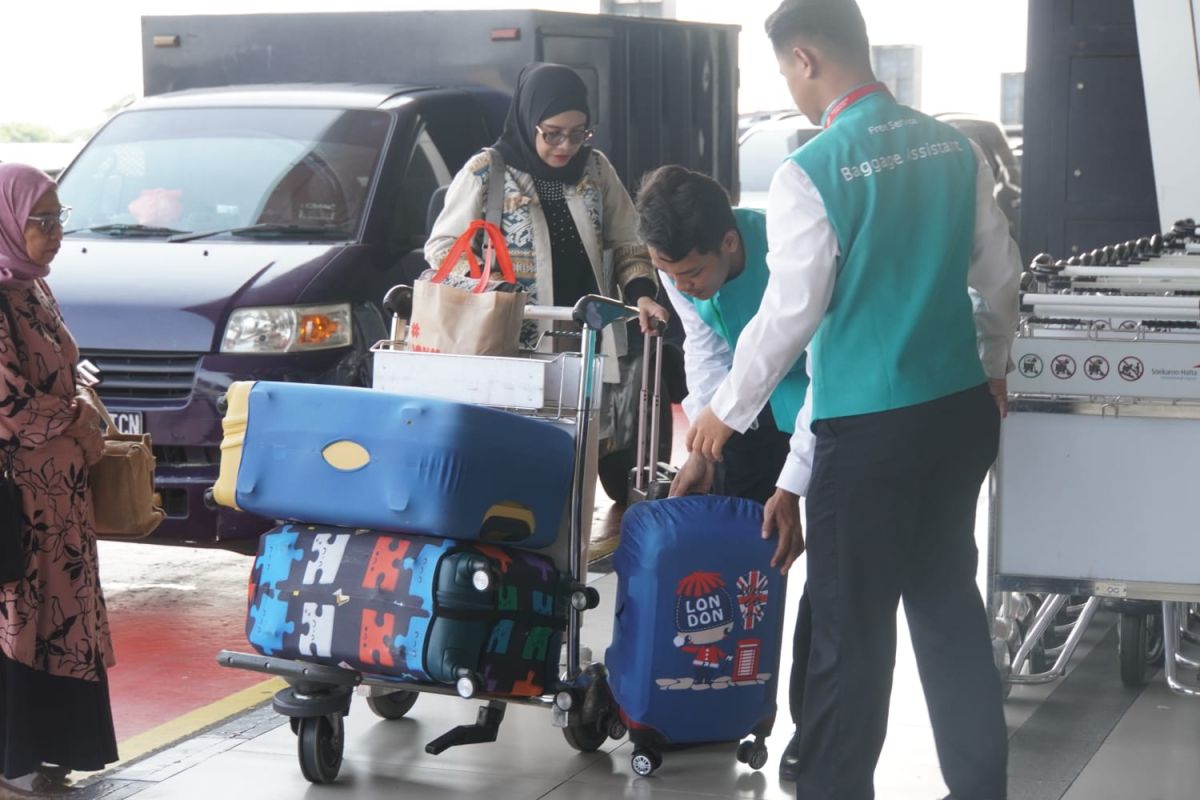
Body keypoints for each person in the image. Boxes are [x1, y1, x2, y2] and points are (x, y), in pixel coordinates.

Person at [686, 1, 1021, 798]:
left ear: (804, 59)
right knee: (947, 613)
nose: (790, 88)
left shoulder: (812, 170)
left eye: (782, 72)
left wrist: (723, 413)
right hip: (957, 413)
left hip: (868, 433)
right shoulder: (956, 147)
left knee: (849, 635)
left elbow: (791, 314)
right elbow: (1000, 273)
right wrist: (996, 361)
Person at [425, 62, 670, 518]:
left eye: (578, 134)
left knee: (580, 456)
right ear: (527, 119)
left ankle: (566, 555)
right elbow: (443, 247)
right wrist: (489, 283)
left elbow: (628, 241)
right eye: (553, 133)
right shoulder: (487, 171)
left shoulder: (596, 170)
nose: (565, 146)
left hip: (587, 340)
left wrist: (640, 291)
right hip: (512, 344)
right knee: (521, 459)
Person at [635, 164, 813, 777]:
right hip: (743, 412)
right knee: (742, 562)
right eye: (670, 272)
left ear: (729, 243)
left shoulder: (793, 249)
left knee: (827, 579)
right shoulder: (678, 267)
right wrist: (706, 451)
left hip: (824, 405)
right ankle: (719, 701)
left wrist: (794, 480)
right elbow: (706, 347)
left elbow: (826, 371)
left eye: (691, 273)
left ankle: (812, 729)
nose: (682, 284)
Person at [0, 164, 116, 795]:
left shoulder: (34, 289)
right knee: (19, 620)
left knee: (62, 622)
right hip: (20, 502)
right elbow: (10, 408)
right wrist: (78, 416)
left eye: (58, 218)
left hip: (62, 508)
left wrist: (83, 405)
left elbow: (64, 370)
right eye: (38, 221)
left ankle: (56, 749)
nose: (54, 233)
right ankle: (15, 758)